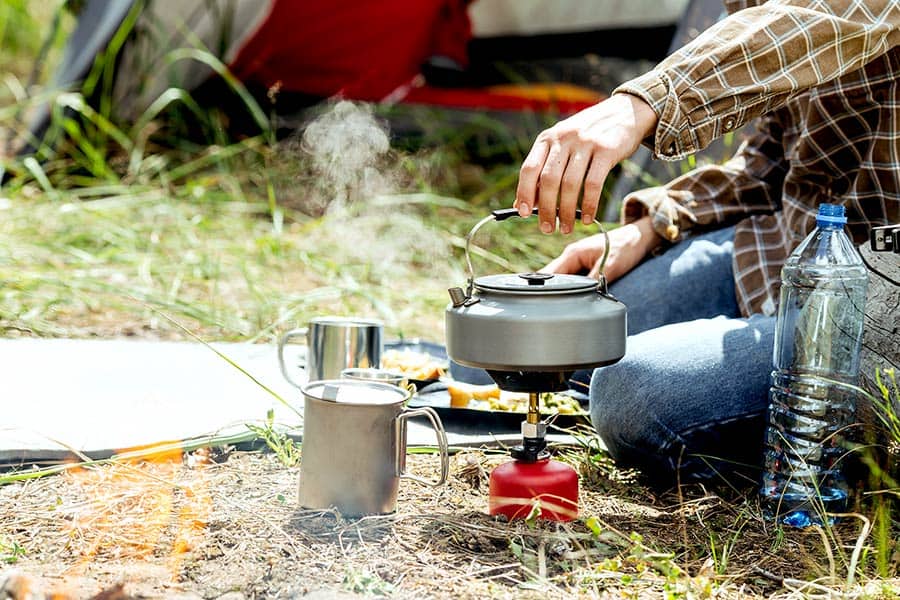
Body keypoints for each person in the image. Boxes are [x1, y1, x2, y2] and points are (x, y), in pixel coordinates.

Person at [514, 0, 900, 486]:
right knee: (580, 336)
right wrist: (652, 226)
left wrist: (639, 105)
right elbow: (770, 161)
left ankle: (819, 464)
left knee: (628, 393)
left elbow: (815, 20)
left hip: (884, 299)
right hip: (791, 252)